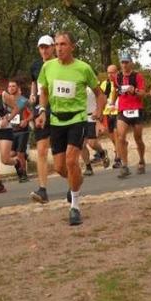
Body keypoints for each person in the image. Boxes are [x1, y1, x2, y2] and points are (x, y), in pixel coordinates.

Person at [36, 32, 106, 226]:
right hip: (56, 120)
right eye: (57, 44)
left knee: (70, 160)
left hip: (77, 119)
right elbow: (44, 92)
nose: (59, 48)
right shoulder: (47, 67)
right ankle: (76, 179)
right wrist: (42, 111)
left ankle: (75, 206)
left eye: (63, 44)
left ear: (72, 47)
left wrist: (99, 111)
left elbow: (99, 93)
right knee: (59, 167)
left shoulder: (83, 68)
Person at [29, 35, 56, 204]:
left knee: (61, 154)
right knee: (41, 150)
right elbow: (34, 83)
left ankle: (73, 185)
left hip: (59, 109)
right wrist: (32, 94)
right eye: (41, 47)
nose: (44, 50)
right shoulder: (35, 66)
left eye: (46, 47)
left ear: (53, 47)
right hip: (41, 110)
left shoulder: (59, 64)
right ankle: (42, 189)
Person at [114, 54, 146, 177]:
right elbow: (116, 90)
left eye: (126, 62)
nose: (124, 65)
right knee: (120, 137)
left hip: (136, 109)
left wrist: (135, 91)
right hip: (123, 110)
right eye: (122, 62)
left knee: (138, 138)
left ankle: (141, 160)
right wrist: (112, 102)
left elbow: (143, 93)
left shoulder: (137, 76)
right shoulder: (117, 77)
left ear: (131, 63)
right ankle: (125, 166)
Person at [81, 86, 110, 177]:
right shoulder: (75, 86)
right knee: (81, 144)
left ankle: (102, 152)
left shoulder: (93, 87)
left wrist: (98, 111)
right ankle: (88, 167)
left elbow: (104, 99)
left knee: (92, 143)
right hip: (80, 117)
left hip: (92, 117)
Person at [6, 78, 31, 182]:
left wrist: (26, 120)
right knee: (10, 154)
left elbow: (32, 113)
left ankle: (23, 175)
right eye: (9, 86)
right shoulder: (6, 100)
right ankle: (21, 166)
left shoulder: (23, 101)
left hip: (22, 131)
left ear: (18, 88)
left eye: (13, 86)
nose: (11, 88)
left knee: (20, 154)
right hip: (10, 131)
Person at [99, 65, 120, 168]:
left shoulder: (120, 82)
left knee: (116, 134)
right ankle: (119, 149)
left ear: (117, 72)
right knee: (112, 136)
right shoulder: (105, 84)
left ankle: (118, 158)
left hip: (118, 112)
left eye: (112, 72)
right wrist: (100, 112)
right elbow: (101, 98)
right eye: (108, 73)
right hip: (107, 113)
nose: (110, 75)